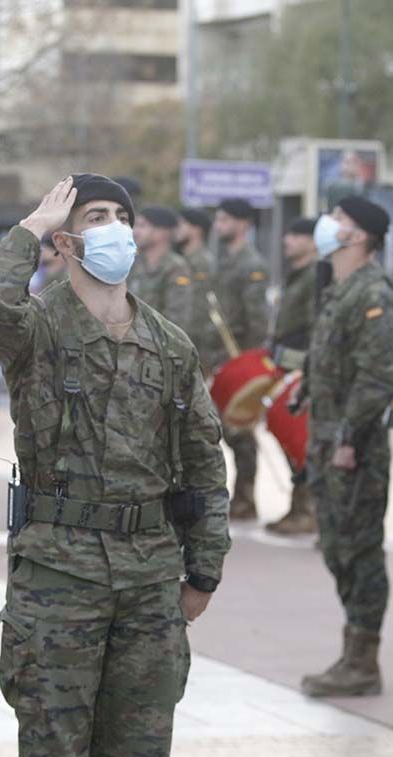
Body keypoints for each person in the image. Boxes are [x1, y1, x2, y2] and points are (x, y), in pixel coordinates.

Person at [0, 174, 229, 757]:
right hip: (58, 576)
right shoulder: (37, 328)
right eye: (94, 217)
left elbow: (202, 465)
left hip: (148, 580)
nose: (113, 227)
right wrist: (29, 232)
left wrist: (204, 572)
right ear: (66, 240)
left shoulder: (169, 345)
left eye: (120, 216)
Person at [298, 196, 393, 698]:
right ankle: (352, 654)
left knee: (358, 552)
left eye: (339, 220)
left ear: (360, 236)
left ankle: (363, 661)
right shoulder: (338, 290)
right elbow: (331, 362)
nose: (328, 226)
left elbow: (375, 379)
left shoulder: (372, 293)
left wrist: (347, 438)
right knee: (337, 548)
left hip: (352, 449)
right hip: (327, 442)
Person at [213, 198, 271, 520]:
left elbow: (257, 319)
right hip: (220, 355)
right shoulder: (226, 261)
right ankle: (239, 496)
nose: (219, 225)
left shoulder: (251, 264)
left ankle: (247, 496)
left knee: (240, 431)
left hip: (239, 357)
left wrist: (249, 363)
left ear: (243, 224)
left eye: (225, 219)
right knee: (227, 430)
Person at [266, 217, 320, 535]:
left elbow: (314, 327)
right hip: (284, 364)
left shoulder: (314, 276)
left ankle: (308, 510)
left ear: (312, 242)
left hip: (299, 365)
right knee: (289, 436)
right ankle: (298, 507)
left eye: (296, 235)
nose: (287, 239)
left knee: (301, 438)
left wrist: (305, 367)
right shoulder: (296, 275)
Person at [130, 204, 193, 328]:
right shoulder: (133, 263)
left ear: (162, 232)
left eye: (142, 226)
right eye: (136, 226)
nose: (135, 231)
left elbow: (176, 318)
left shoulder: (176, 267)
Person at [175, 207, 220, 371]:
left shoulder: (202, 262)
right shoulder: (182, 259)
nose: (176, 229)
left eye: (182, 224)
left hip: (197, 342)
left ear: (196, 230)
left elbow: (202, 305)